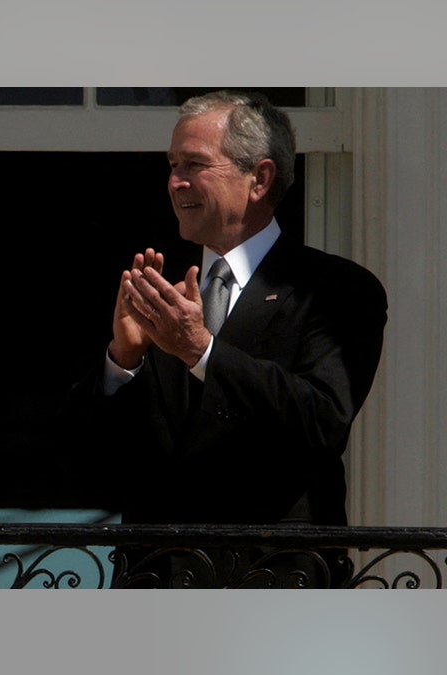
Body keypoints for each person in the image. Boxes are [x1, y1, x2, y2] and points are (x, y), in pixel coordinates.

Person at [67, 91, 387, 587]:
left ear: (258, 178)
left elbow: (322, 420)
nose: (175, 182)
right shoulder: (157, 287)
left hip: (275, 584)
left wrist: (201, 351)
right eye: (172, 165)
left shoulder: (334, 289)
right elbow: (92, 463)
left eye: (194, 164)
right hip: (155, 588)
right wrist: (123, 360)